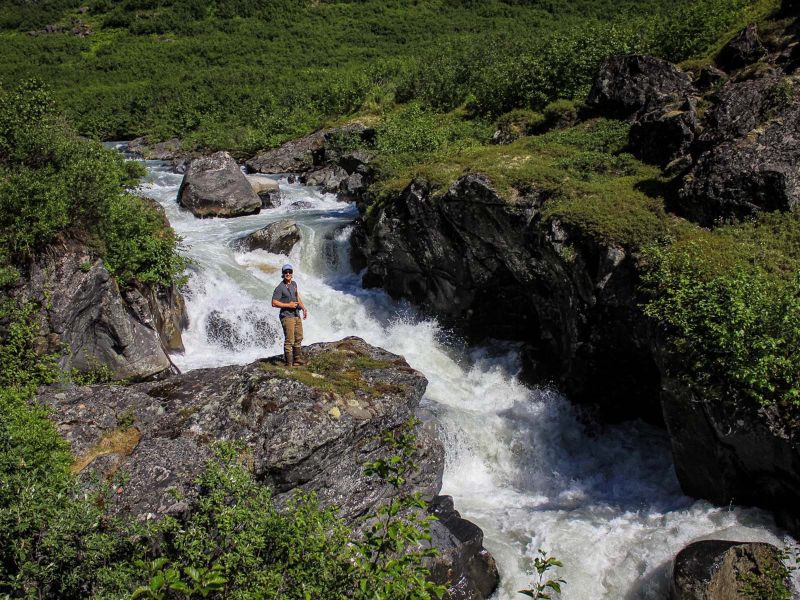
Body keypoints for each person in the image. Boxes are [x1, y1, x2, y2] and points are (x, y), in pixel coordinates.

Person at [271, 263, 308, 366]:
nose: (288, 273)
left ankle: (297, 359)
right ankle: (289, 363)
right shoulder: (280, 287)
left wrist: (304, 308)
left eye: (289, 272)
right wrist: (288, 305)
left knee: (299, 337)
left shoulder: (294, 284)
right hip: (287, 316)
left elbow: (297, 297)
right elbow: (274, 302)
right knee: (289, 340)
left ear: (292, 273)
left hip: (296, 314)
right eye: (285, 272)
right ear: (283, 274)